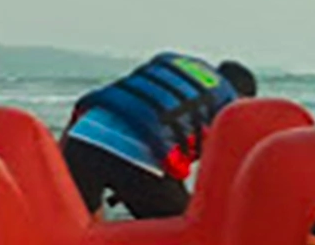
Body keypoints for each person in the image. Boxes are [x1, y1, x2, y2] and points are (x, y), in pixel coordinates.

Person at [62, 53, 258, 219]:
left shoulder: (175, 63)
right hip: (138, 154)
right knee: (184, 228)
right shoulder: (227, 102)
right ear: (242, 99)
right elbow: (216, 170)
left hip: (82, 135)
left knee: (83, 222)